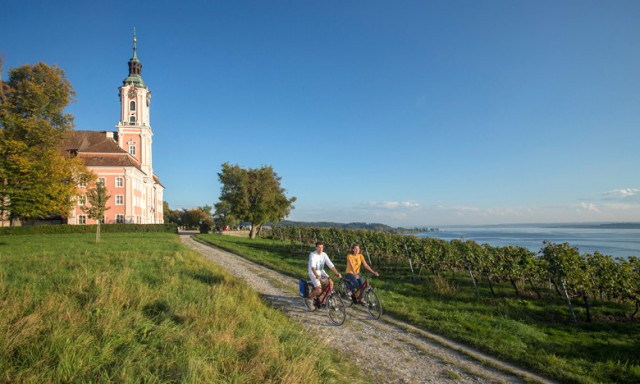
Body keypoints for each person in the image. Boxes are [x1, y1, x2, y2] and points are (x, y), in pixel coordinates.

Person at [307, 241, 342, 309]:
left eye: (322, 247)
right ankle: (310, 300)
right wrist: (316, 275)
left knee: (330, 284)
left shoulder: (324, 254)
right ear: (316, 247)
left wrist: (337, 273)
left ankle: (325, 300)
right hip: (313, 273)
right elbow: (313, 267)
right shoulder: (312, 255)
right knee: (319, 290)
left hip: (321, 271)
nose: (320, 249)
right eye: (319, 247)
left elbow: (330, 264)